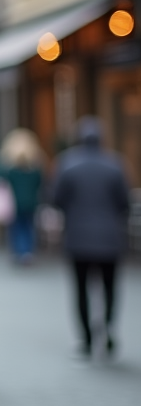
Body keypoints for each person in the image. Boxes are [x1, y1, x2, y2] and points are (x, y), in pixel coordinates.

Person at [52, 117, 131, 358]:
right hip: (109, 238)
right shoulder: (115, 164)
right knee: (109, 288)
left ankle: (86, 339)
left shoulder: (67, 164)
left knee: (81, 289)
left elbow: (56, 199)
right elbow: (125, 202)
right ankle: (107, 327)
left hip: (78, 238)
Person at [0, 129, 46, 264]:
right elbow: (41, 183)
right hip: (31, 202)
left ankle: (18, 251)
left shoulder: (8, 168)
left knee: (16, 228)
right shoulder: (35, 168)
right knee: (28, 227)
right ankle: (27, 251)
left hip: (14, 203)